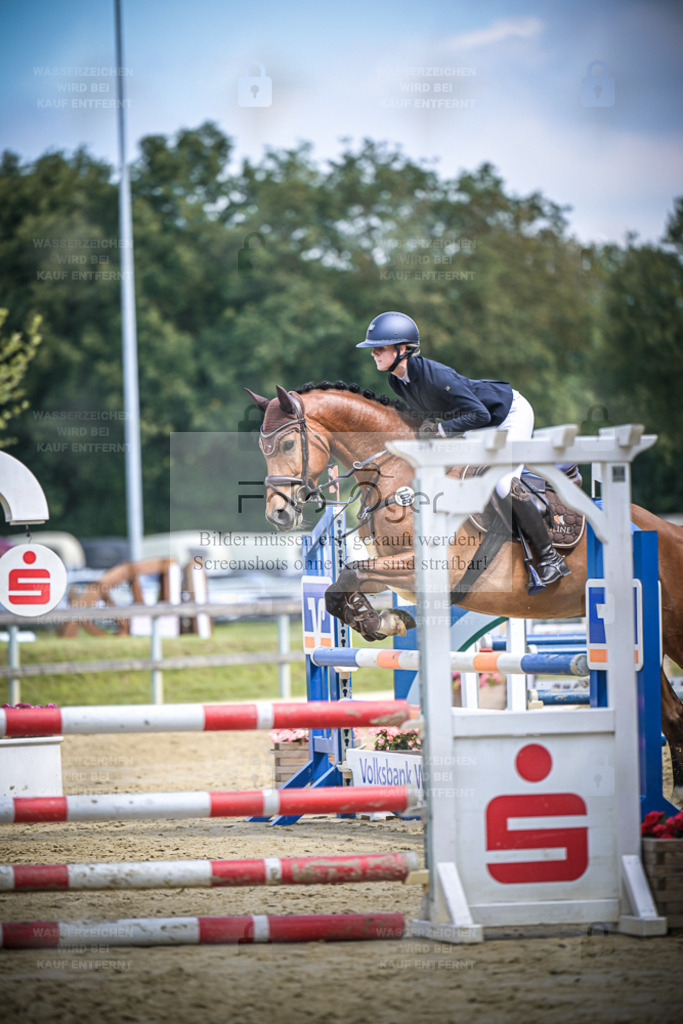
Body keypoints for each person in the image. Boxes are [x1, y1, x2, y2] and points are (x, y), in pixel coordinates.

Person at [356, 310, 570, 588]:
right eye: (374, 349)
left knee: (503, 482)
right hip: (479, 427)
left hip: (508, 415)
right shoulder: (396, 380)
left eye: (380, 348)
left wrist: (441, 430)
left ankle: (550, 558)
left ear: (402, 349)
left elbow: (480, 414)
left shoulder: (435, 375)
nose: (374, 353)